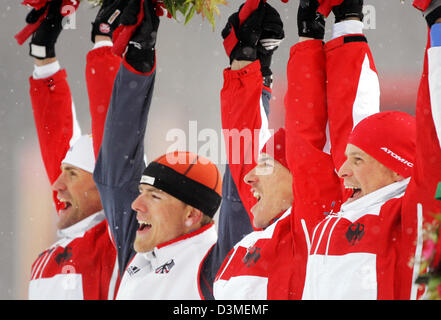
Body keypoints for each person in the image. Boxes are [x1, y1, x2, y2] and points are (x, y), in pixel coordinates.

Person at [213, 0, 380, 299]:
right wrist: (247, 63)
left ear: (299, 177)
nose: (249, 178)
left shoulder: (326, 222)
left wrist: (338, 27)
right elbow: (244, 153)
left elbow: (352, 127)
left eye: (265, 165)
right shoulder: (256, 232)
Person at [293, 0, 441, 300]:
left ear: (399, 168)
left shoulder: (415, 220)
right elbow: (309, 147)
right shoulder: (335, 216)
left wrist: (437, 20)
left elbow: (435, 133)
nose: (342, 170)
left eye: (357, 160)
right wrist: (322, 32)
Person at [92, 0, 225, 300]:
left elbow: (243, 195)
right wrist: (138, 59)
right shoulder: (143, 246)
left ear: (191, 214)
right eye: (142, 192)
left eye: (154, 196)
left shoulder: (216, 263)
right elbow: (116, 165)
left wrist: (255, 69)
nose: (136, 205)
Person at [25, 0, 124, 299]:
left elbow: (116, 137)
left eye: (71, 174)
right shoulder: (62, 245)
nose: (56, 184)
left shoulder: (119, 238)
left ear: (103, 183)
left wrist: (104, 42)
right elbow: (55, 137)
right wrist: (44, 53)